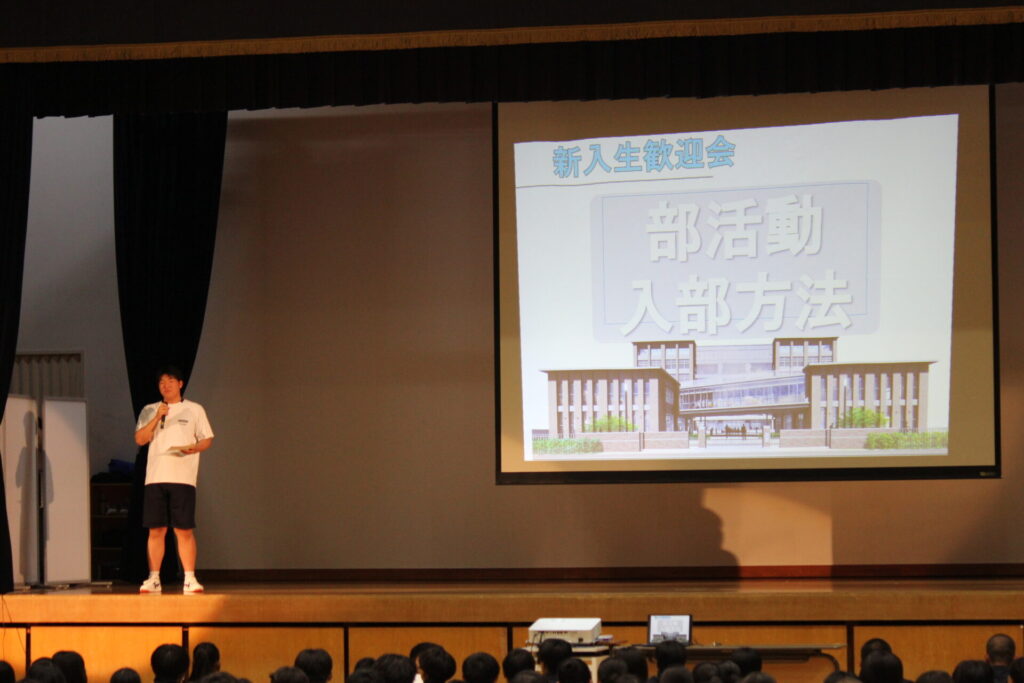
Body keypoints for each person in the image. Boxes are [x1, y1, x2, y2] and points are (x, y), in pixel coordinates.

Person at [135, 366, 214, 595]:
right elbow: (140, 439)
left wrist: (195, 447)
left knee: (184, 529)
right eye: (161, 382)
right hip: (155, 478)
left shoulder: (194, 409)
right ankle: (154, 578)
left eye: (170, 380)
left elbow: (207, 438)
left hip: (183, 478)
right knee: (156, 530)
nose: (165, 385)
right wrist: (157, 417)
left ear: (180, 383)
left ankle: (190, 578)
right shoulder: (150, 409)